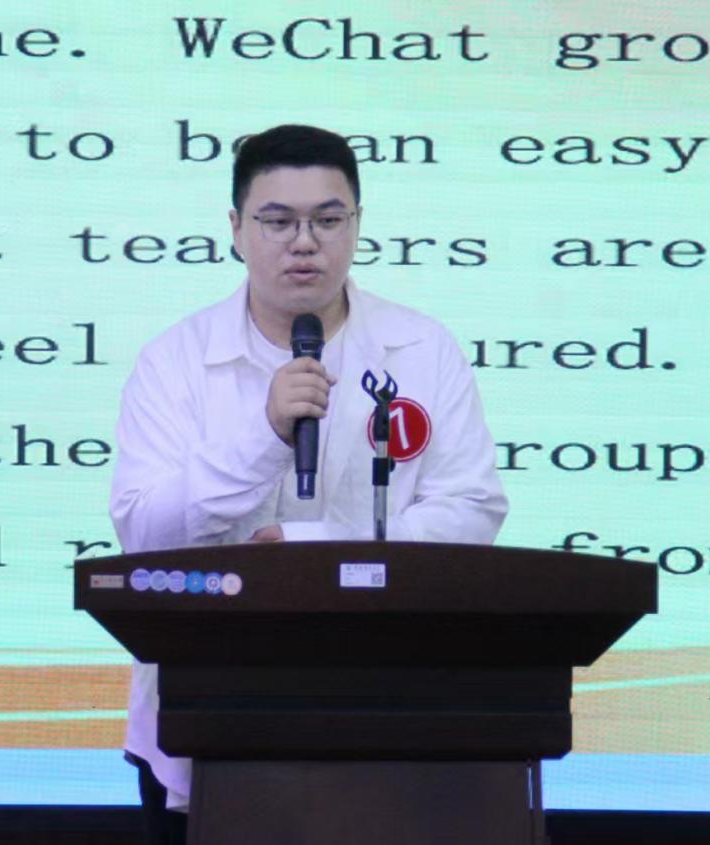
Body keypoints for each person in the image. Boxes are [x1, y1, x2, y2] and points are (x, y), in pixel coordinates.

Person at [109, 124, 507, 844]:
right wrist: (264, 432)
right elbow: (145, 537)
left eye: (327, 220)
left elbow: (471, 509)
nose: (304, 243)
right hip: (205, 713)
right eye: (277, 221)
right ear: (236, 229)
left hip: (391, 713)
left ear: (356, 225)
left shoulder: (421, 348)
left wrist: (322, 549)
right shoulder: (174, 361)